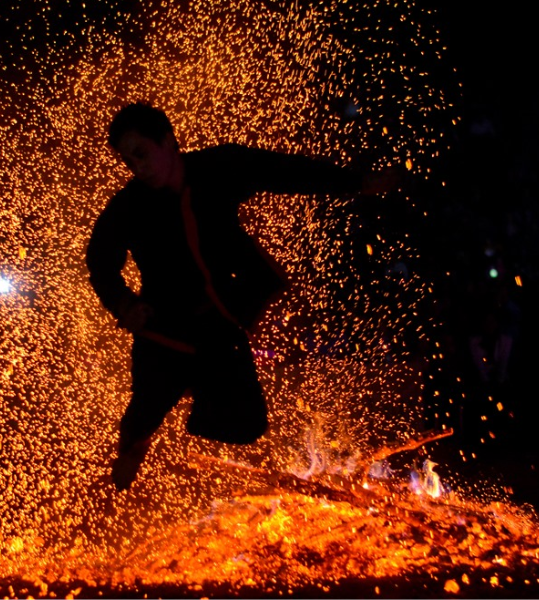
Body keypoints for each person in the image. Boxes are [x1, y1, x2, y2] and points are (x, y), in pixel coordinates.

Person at [86, 102, 397, 490]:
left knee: (248, 425)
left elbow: (284, 171)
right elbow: (99, 261)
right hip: (163, 330)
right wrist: (124, 304)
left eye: (141, 153)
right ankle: (139, 438)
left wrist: (356, 182)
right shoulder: (129, 207)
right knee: (143, 417)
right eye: (129, 161)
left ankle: (194, 393)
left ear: (167, 141)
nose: (138, 167)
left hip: (218, 322)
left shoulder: (218, 169)